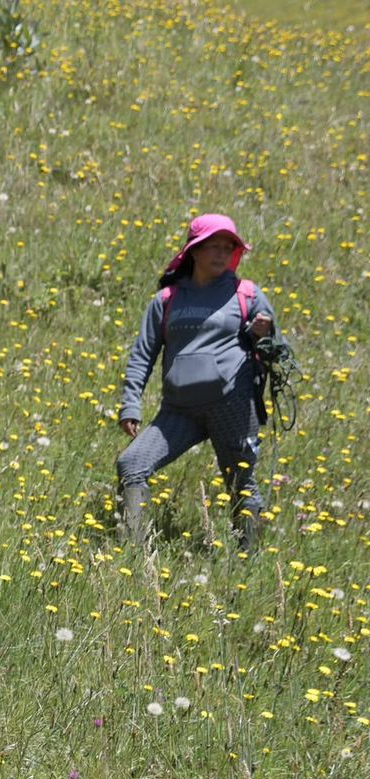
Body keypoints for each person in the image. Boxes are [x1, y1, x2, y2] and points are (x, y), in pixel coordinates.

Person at [117, 213, 279, 548]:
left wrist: (262, 335)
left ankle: (249, 564)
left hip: (232, 408)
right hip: (179, 411)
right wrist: (131, 403)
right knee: (131, 463)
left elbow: (279, 351)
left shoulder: (246, 294)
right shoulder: (167, 299)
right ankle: (129, 554)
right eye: (213, 247)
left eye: (227, 247)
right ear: (194, 251)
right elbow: (143, 354)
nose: (221, 254)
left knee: (242, 483)